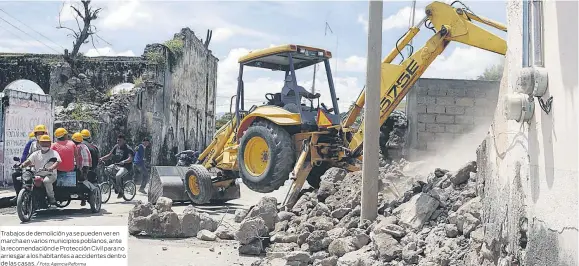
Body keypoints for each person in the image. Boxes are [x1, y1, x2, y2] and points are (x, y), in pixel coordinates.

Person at [20, 134, 62, 204]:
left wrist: (51, 168)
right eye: (43, 142)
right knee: (28, 180)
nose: (45, 144)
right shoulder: (36, 153)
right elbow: (29, 161)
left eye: (47, 142)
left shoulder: (54, 153)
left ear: (50, 143)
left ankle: (51, 198)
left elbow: (58, 161)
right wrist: (21, 165)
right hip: (38, 174)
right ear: (39, 143)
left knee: (46, 181)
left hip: (50, 175)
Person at [99, 134, 134, 198]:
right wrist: (102, 158)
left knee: (118, 175)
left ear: (124, 141)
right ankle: (115, 185)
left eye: (120, 141)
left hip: (125, 167)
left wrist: (124, 161)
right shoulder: (116, 147)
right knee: (106, 170)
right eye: (117, 140)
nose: (118, 142)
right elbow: (109, 155)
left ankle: (121, 191)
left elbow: (130, 159)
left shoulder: (128, 149)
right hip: (116, 165)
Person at [72, 132, 92, 206]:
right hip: (87, 166)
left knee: (79, 181)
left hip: (82, 166)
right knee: (83, 180)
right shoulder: (84, 146)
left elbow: (80, 159)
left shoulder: (78, 147)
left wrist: (79, 168)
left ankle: (83, 198)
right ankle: (83, 198)